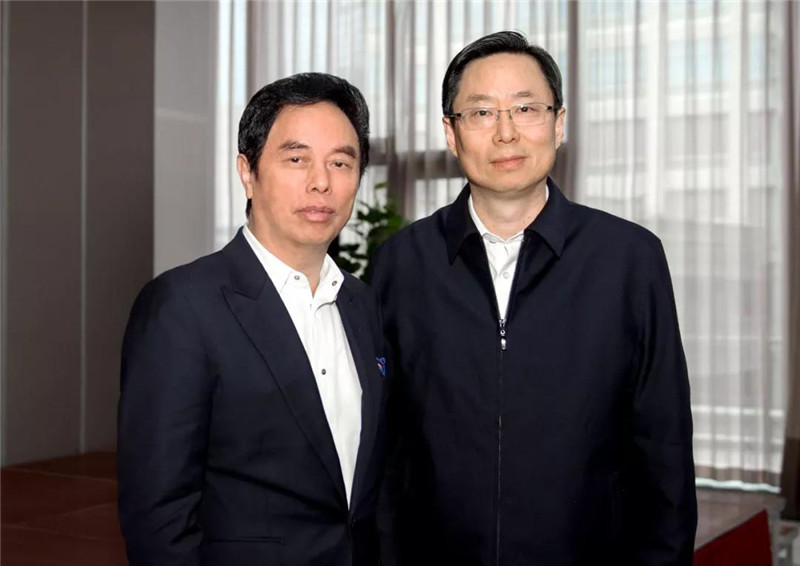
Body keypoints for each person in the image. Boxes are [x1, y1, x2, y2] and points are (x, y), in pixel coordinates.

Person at [372, 31, 697, 565]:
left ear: (558, 123)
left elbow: (664, 448)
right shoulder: (400, 264)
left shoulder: (628, 260)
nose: (506, 133)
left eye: (526, 109)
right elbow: (385, 453)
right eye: (481, 113)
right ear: (451, 133)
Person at [118, 73, 389, 566]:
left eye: (341, 162)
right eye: (296, 159)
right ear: (247, 171)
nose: (321, 182)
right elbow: (158, 515)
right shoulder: (182, 306)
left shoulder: (362, 305)